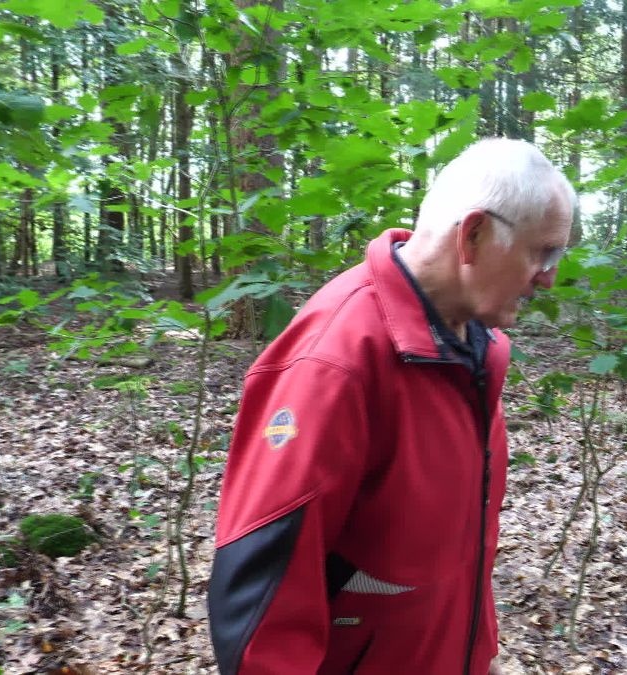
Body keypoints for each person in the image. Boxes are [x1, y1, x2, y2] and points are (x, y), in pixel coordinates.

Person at [207, 138, 576, 674]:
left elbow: (442, 554)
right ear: (473, 235)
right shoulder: (334, 363)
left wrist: (478, 654)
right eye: (543, 252)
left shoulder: (469, 350)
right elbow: (261, 610)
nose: (549, 277)